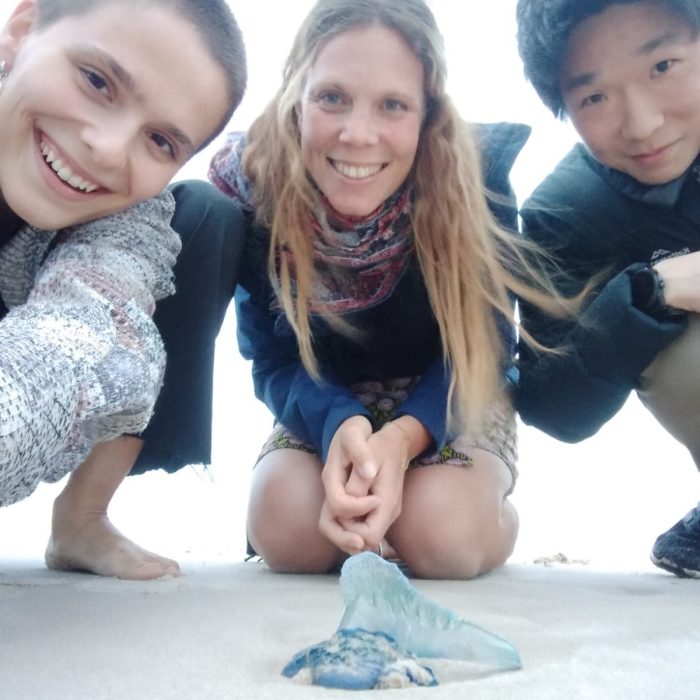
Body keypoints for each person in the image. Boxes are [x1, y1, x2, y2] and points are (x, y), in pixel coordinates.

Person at [210, 0, 569, 579]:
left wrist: (404, 439)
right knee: (285, 533)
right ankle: (369, 505)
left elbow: (490, 347)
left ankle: (486, 510)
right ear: (296, 97)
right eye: (332, 97)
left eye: (393, 105)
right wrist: (341, 425)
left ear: (427, 114)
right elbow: (272, 357)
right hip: (330, 394)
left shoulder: (476, 179)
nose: (358, 134)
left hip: (454, 390)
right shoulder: (258, 190)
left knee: (440, 538)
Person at [0, 0, 247, 579]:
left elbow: (95, 341)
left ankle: (83, 516)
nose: (108, 148)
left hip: (26, 331)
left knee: (208, 218)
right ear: (20, 29)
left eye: (161, 141)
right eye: (95, 80)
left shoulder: (133, 215)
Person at [515, 0, 700, 578]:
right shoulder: (567, 212)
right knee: (682, 352)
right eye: (594, 97)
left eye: (663, 66)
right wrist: (648, 291)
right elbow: (556, 407)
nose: (642, 123)